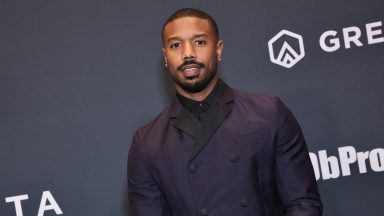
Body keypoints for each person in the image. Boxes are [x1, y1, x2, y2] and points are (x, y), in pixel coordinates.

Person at [127, 8, 323, 216]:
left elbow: (303, 203)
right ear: (166, 56)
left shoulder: (268, 113)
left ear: (218, 49)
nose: (188, 53)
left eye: (199, 42)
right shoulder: (147, 143)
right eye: (176, 45)